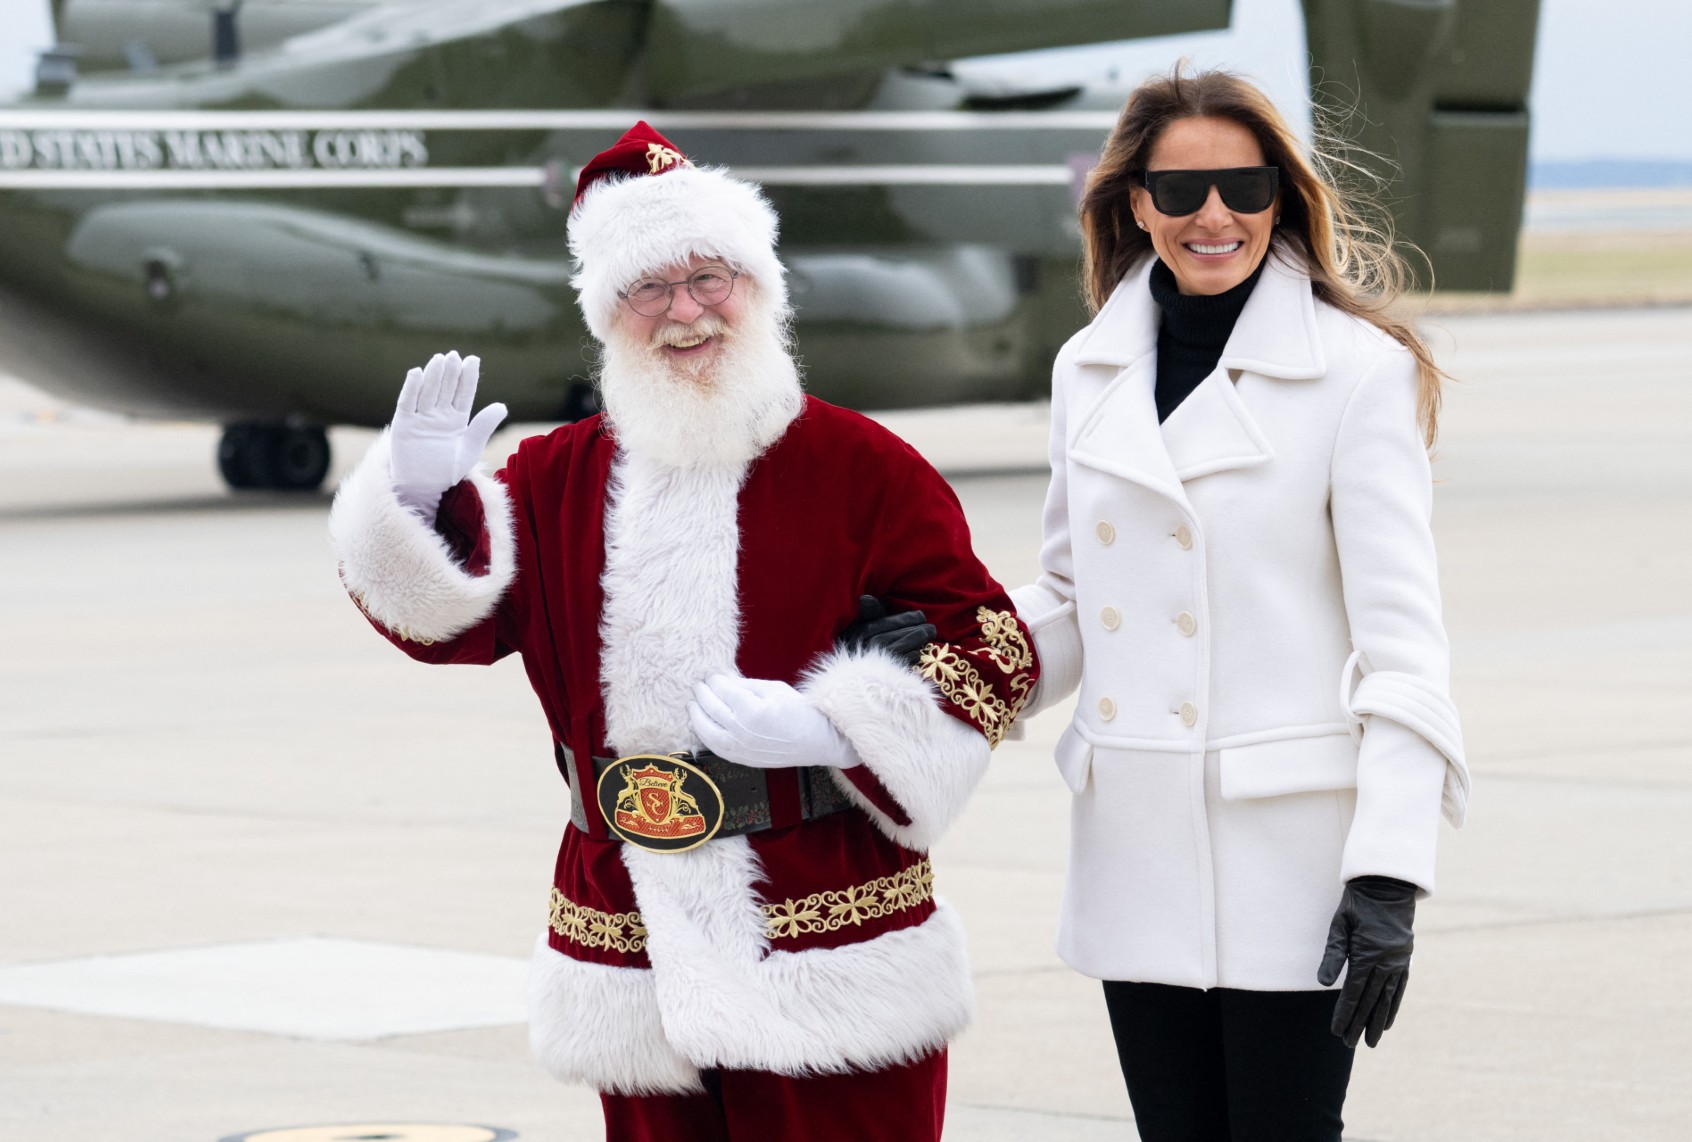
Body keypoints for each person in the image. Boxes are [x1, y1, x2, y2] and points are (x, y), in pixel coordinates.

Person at [325, 121, 1037, 1142]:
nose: (685, 312)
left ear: (759, 286)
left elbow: (996, 648)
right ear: (608, 314)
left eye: (710, 277)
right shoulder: (553, 476)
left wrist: (839, 727)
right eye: (648, 289)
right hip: (631, 929)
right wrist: (413, 499)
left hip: (827, 932)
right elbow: (447, 625)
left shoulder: (863, 463)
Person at [1007, 69, 1471, 1140]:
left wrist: (1390, 873)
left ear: (1280, 196)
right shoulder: (1088, 367)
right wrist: (951, 657)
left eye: (1243, 186)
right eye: (1180, 192)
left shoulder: (1359, 373)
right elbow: (1077, 600)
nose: (1214, 215)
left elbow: (1404, 647)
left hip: (1292, 862)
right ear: (1134, 205)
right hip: (1136, 841)